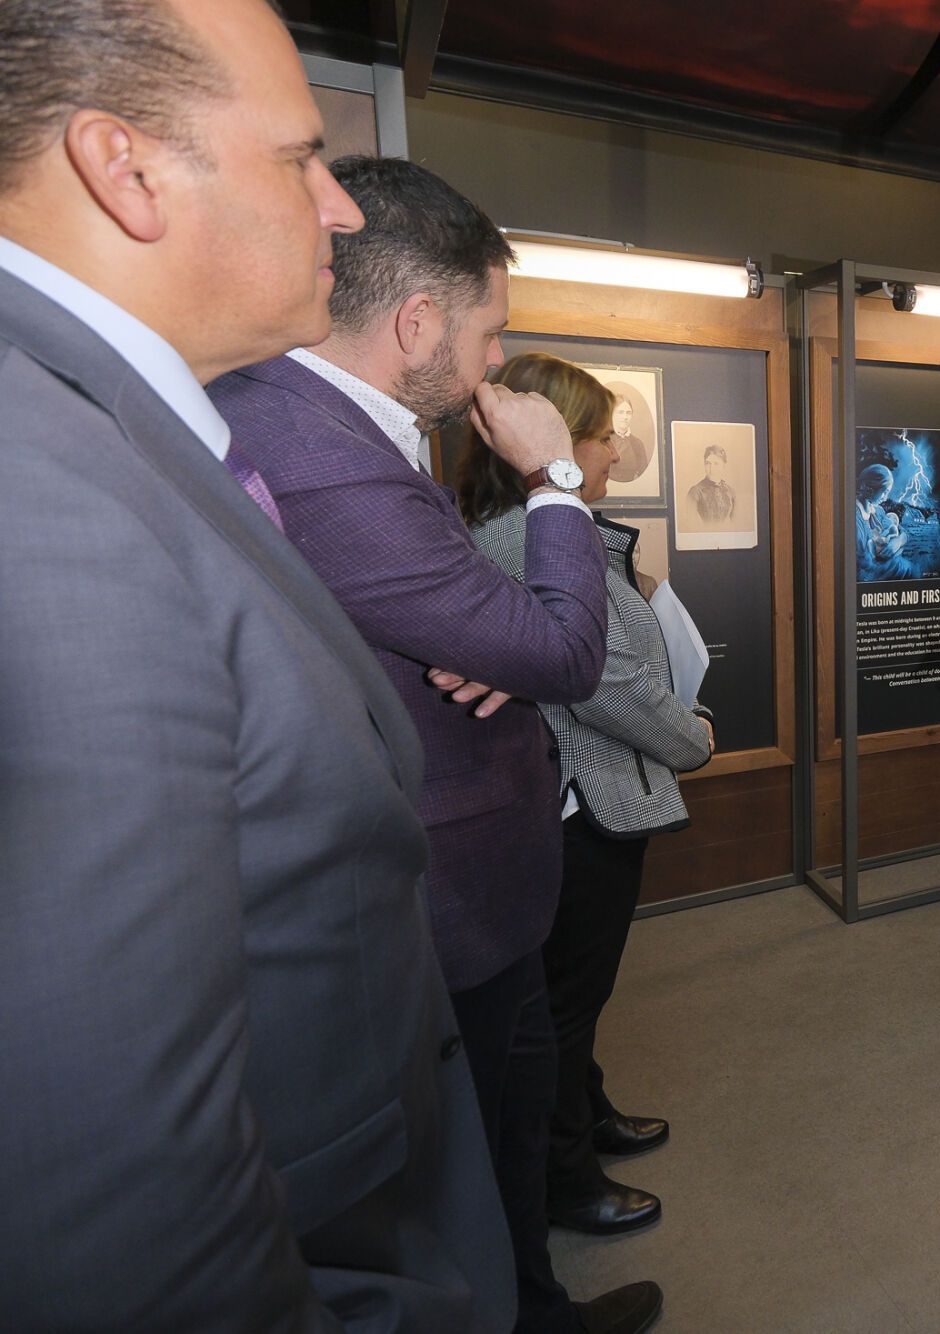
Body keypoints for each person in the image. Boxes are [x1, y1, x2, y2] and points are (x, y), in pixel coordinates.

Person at [0, 1, 511, 1327]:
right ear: (125, 170)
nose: (340, 208)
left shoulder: (118, 429)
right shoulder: (40, 493)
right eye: (300, 159)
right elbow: (119, 1205)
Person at [210, 158, 662, 1334]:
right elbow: (564, 654)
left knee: (503, 1149)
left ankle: (538, 1306)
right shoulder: (320, 452)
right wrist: (552, 474)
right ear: (416, 322)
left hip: (480, 891)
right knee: (469, 1177)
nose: (493, 361)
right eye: (487, 332)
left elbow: (486, 628)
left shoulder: (343, 427)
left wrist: (497, 637)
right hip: (444, 901)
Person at [460, 352, 718, 1236]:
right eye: (605, 437)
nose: (614, 453)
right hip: (580, 809)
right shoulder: (526, 539)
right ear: (560, 442)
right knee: (565, 1006)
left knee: (574, 995)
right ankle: (566, 1180)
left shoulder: (534, 527)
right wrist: (695, 740)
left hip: (584, 799)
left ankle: (588, 1116)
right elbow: (608, 684)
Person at [687, 441, 736, 520]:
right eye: (708, 463)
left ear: (723, 466)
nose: (711, 468)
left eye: (716, 464)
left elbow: (736, 522)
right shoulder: (695, 492)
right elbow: (690, 523)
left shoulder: (731, 492)